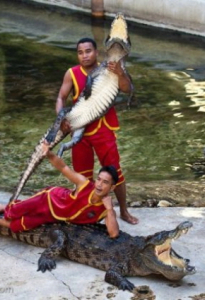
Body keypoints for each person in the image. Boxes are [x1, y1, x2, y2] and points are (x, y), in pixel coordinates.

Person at [56, 37, 138, 225]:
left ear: (96, 52)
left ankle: (124, 211)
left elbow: (127, 88)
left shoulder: (110, 67)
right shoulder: (72, 73)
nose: (84, 56)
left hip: (104, 129)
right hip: (81, 133)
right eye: (80, 52)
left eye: (88, 51)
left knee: (115, 172)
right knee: (82, 176)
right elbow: (61, 97)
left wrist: (120, 73)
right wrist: (61, 118)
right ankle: (87, 212)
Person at [0, 141, 119, 238]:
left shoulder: (106, 210)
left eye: (105, 182)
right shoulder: (85, 184)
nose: (99, 184)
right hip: (48, 199)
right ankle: (5, 207)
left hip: (53, 216)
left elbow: (113, 234)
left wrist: (110, 209)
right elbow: (63, 167)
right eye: (98, 179)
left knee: (19, 225)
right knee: (12, 212)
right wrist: (49, 153)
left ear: (112, 187)